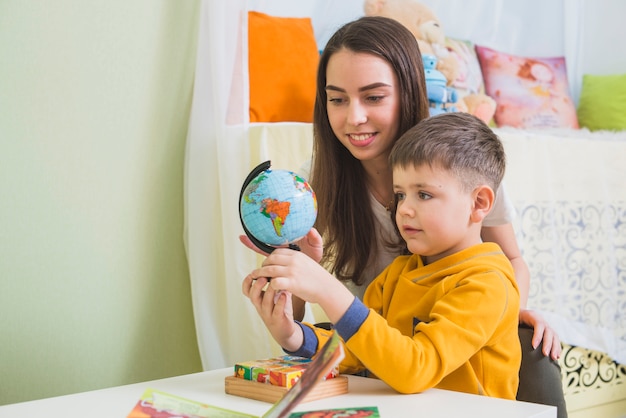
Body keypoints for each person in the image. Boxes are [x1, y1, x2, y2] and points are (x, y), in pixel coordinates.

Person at [240, 15, 567, 415]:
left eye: (373, 97)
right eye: (337, 98)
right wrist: (292, 328)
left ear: (407, 92)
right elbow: (360, 350)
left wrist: (503, 308)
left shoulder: (460, 166)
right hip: (384, 379)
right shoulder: (310, 195)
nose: (353, 117)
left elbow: (501, 268)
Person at [243, 112, 521, 398]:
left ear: (479, 202)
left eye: (423, 194)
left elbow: (415, 369)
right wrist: (293, 335)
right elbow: (358, 350)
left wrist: (329, 291)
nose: (405, 209)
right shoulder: (399, 273)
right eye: (400, 195)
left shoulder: (487, 284)